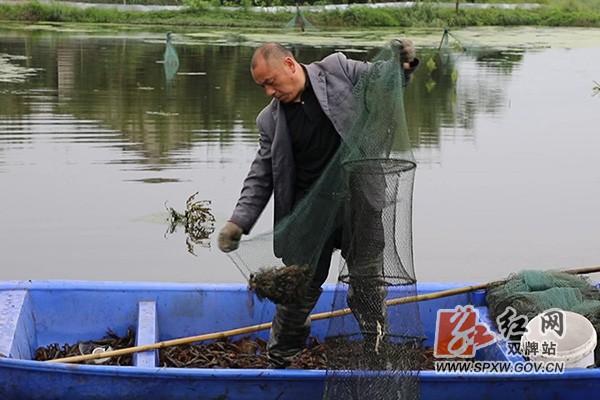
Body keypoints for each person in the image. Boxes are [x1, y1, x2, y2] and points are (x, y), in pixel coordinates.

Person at [218, 41, 419, 368]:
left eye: (271, 81)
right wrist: (238, 221)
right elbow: (261, 175)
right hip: (309, 215)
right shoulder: (268, 121)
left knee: (367, 286)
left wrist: (402, 66)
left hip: (360, 203)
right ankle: (280, 357)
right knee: (296, 292)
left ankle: (376, 350)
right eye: (262, 86)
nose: (269, 91)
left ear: (290, 64)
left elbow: (381, 79)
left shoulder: (338, 70)